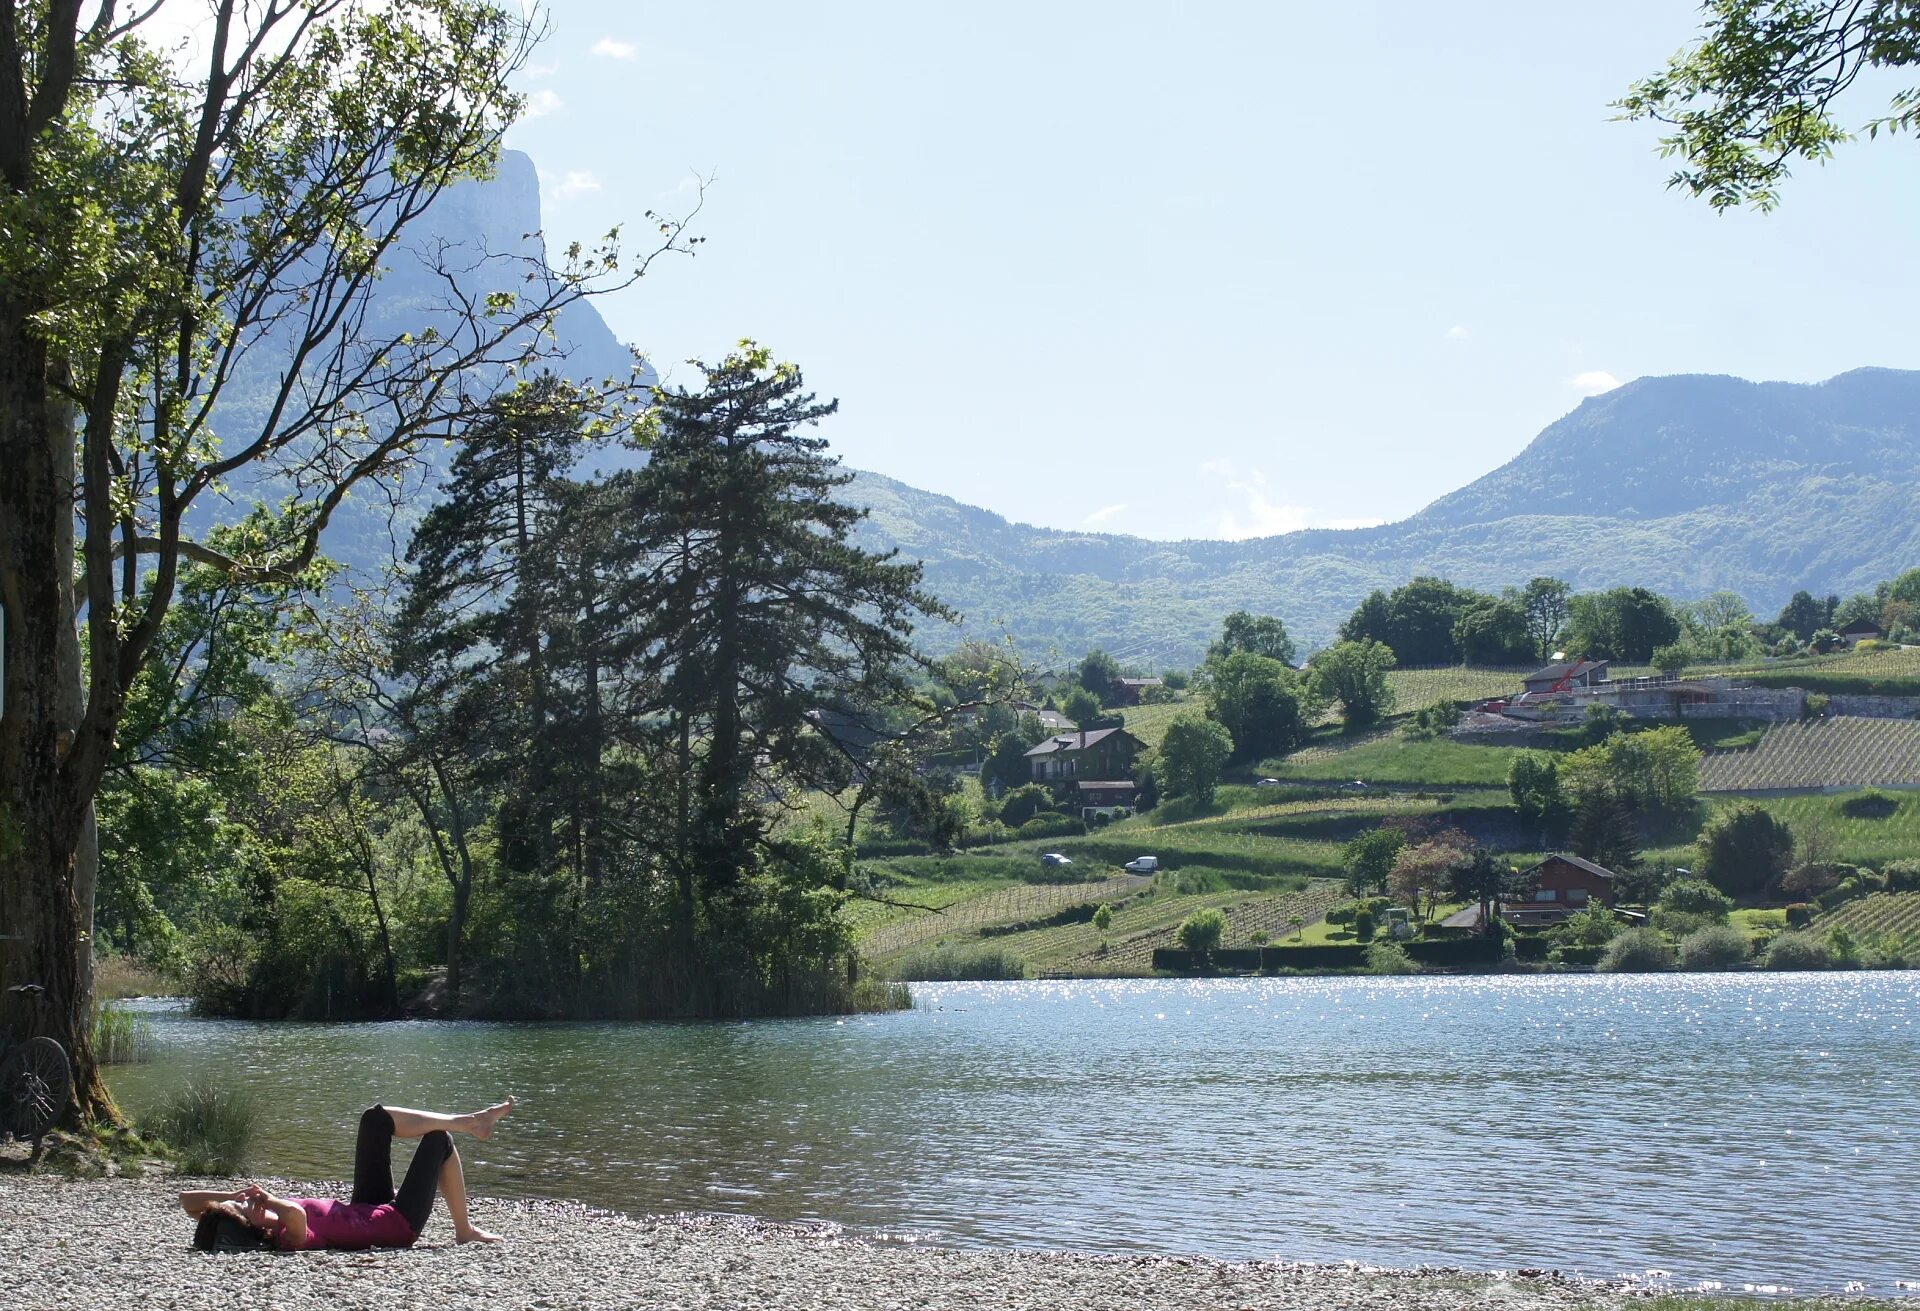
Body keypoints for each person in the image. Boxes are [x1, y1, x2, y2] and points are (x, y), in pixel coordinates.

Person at [180, 1098, 514, 1252]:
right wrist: (269, 1201)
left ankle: (467, 1119)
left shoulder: (259, 1219)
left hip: (366, 1207)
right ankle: (464, 1230)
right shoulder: (286, 1238)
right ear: (246, 1230)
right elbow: (296, 1215)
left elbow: (186, 1202)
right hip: (396, 1223)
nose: (244, 1207)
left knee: (374, 1118)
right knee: (438, 1141)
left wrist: (231, 1198)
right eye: (239, 1214)